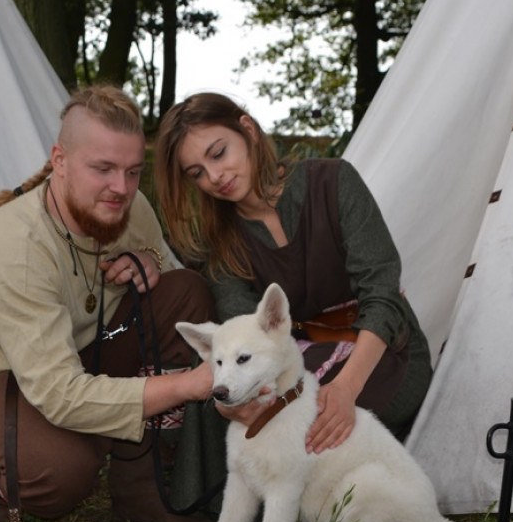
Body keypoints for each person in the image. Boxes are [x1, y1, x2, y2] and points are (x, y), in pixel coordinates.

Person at [0, 85, 215, 522]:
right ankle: (1, 477)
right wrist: (187, 386)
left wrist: (151, 261)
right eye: (102, 169)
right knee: (64, 473)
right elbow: (59, 393)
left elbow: (174, 292)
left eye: (133, 171)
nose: (121, 188)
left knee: (185, 295)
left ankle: (140, 492)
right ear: (60, 160)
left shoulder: (130, 208)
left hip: (74, 352)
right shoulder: (15, 246)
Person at [154, 92, 432, 452]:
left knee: (306, 422)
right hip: (295, 360)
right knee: (243, 406)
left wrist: (345, 389)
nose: (215, 176)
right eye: (198, 173)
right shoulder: (220, 242)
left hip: (382, 352)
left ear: (248, 129)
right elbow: (246, 336)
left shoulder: (333, 181)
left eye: (219, 153)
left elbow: (382, 294)